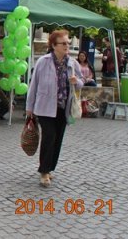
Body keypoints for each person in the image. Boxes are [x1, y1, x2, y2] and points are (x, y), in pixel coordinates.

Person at [26, 29, 84, 187]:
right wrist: (29, 107)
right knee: (49, 137)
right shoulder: (43, 61)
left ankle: (50, 168)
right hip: (45, 108)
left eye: (68, 43)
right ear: (53, 45)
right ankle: (43, 172)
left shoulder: (72, 63)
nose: (67, 46)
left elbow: (82, 81)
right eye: (63, 43)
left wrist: (75, 81)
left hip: (63, 108)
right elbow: (34, 85)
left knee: (57, 139)